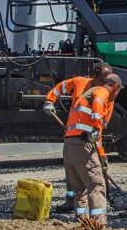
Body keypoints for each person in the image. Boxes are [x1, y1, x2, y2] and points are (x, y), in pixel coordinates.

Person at [43, 61, 112, 213]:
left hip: (88, 139)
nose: (102, 84)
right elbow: (60, 88)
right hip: (73, 134)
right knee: (72, 170)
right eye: (101, 80)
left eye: (105, 82)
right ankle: (71, 201)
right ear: (93, 76)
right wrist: (49, 101)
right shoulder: (80, 82)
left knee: (90, 175)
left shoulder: (105, 95)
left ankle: (85, 204)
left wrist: (101, 152)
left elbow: (101, 125)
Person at [62, 74, 122, 225]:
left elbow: (97, 140)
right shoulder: (102, 92)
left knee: (80, 188)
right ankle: (98, 223)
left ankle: (82, 222)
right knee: (96, 185)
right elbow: (98, 105)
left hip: (70, 145)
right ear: (116, 87)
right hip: (82, 145)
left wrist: (102, 156)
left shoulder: (90, 93)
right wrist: (96, 125)